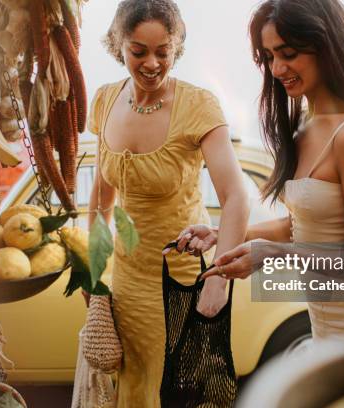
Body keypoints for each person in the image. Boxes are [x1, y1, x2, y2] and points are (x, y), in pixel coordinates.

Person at [173, 0, 344, 344]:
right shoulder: (305, 129)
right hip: (326, 323)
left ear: (326, 46)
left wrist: (270, 254)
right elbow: (302, 226)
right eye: (269, 56)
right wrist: (225, 234)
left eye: (287, 53)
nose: (276, 68)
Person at [85, 0, 249, 406]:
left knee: (174, 392)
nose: (153, 63)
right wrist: (92, 269)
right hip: (125, 283)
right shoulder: (105, 99)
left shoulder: (199, 106)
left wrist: (219, 280)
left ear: (178, 47)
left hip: (178, 285)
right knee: (132, 391)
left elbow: (236, 198)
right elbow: (102, 195)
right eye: (138, 51)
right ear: (118, 44)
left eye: (165, 51)